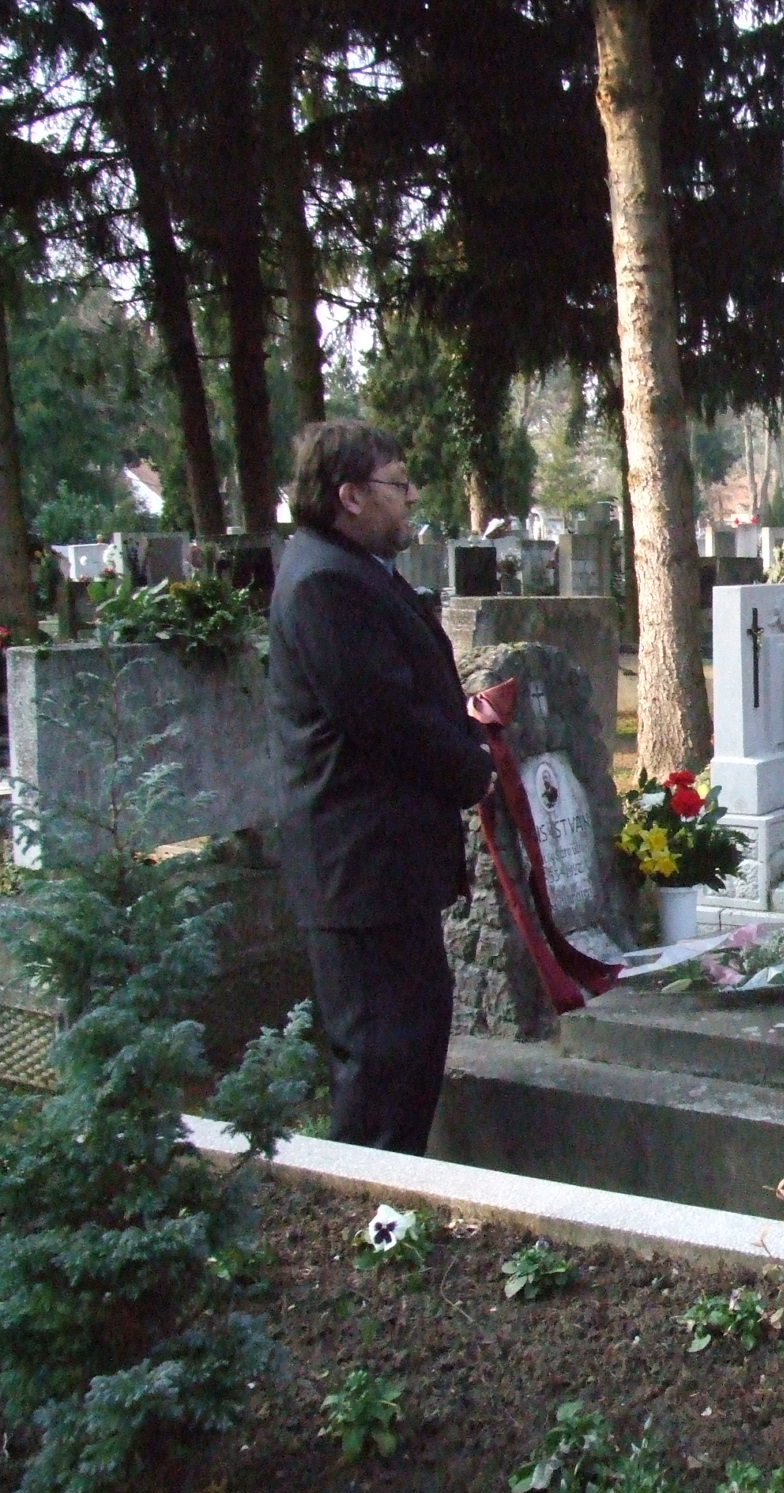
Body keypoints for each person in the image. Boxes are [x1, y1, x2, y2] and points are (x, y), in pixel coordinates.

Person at [269, 421, 495, 1154]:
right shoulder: (327, 581)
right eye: (398, 485)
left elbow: (400, 692)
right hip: (360, 866)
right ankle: (370, 1207)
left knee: (411, 1042)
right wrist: (474, 768)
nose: (412, 497)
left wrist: (464, 730)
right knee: (381, 1064)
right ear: (351, 496)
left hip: (382, 867)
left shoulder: (348, 567)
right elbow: (385, 718)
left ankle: (392, 1202)